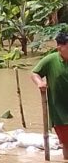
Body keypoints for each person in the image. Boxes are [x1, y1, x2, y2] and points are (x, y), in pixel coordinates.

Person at [31, 31, 68, 160]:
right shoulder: (51, 60)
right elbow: (34, 73)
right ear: (59, 47)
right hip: (60, 112)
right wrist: (40, 83)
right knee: (67, 144)